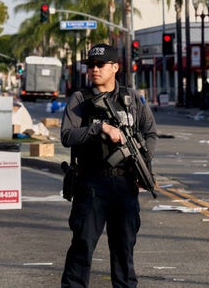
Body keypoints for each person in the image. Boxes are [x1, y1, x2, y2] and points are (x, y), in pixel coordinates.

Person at [60, 43, 158, 288]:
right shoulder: (80, 99)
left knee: (124, 250)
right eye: (90, 65)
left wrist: (143, 165)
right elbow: (67, 136)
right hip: (91, 184)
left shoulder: (132, 99)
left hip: (125, 184)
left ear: (115, 67)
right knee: (82, 247)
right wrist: (99, 128)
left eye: (100, 65)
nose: (94, 69)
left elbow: (151, 132)